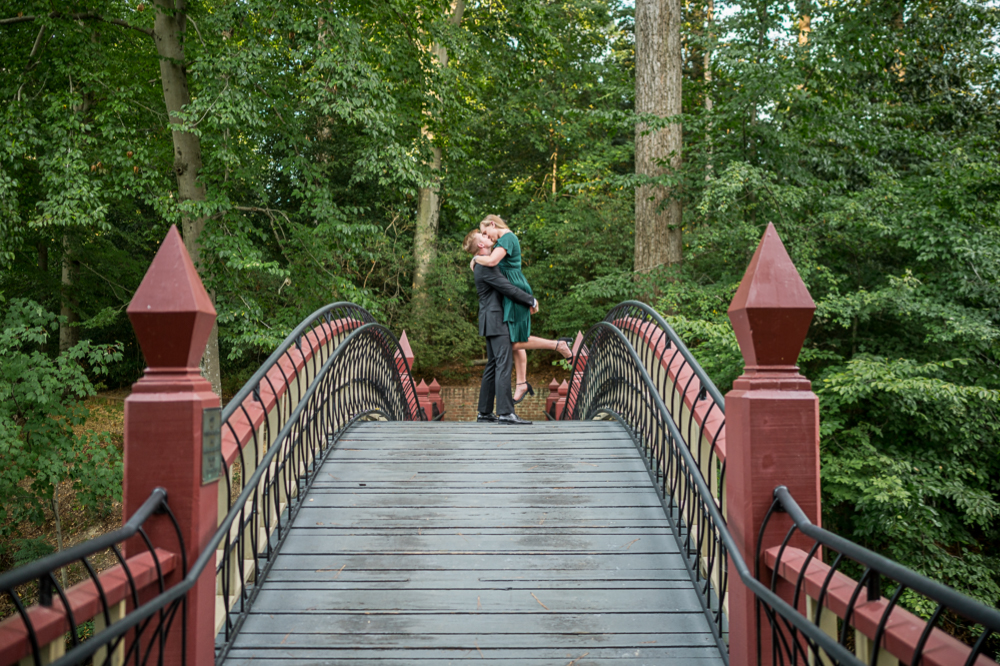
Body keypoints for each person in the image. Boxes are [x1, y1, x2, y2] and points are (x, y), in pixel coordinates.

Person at [470, 215, 572, 403]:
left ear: (493, 224)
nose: (487, 236)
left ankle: (557, 346)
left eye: (485, 232)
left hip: (515, 289)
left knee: (514, 341)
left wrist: (476, 258)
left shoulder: (507, 238)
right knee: (513, 339)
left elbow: (492, 261)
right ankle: (522, 382)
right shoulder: (501, 240)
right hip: (509, 292)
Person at [462, 228, 537, 425]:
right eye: (484, 236)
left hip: (489, 319)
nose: (488, 237)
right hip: (496, 320)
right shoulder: (486, 266)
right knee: (503, 364)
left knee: (493, 365)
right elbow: (508, 288)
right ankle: (505, 412)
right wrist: (531, 300)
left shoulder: (483, 264)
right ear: (481, 245)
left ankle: (485, 413)